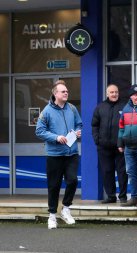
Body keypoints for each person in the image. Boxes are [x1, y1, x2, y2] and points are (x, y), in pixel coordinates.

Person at [35, 80, 82, 229]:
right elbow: (39, 131)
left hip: (71, 153)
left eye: (67, 91)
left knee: (73, 181)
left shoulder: (72, 108)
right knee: (54, 186)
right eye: (63, 91)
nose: (66, 93)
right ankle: (52, 216)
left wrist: (78, 132)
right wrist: (56, 137)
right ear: (55, 94)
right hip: (54, 155)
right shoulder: (47, 111)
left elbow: (79, 123)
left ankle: (66, 208)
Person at [91, 84, 128, 204]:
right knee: (107, 171)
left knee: (122, 172)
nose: (114, 94)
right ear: (107, 94)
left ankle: (123, 196)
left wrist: (124, 141)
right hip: (104, 147)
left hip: (120, 146)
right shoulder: (100, 107)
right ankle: (111, 196)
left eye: (116, 92)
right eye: (111, 92)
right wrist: (97, 140)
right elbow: (94, 125)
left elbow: (129, 125)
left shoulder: (125, 106)